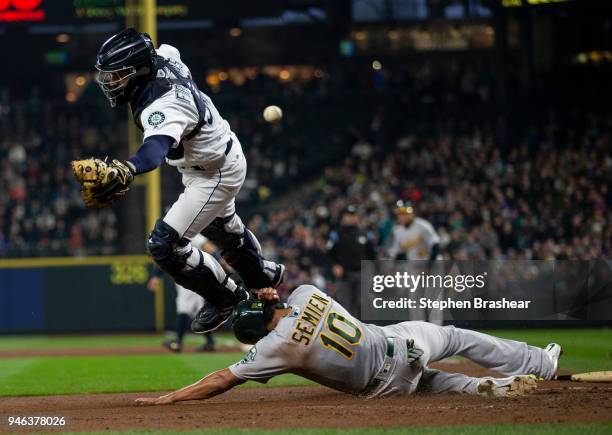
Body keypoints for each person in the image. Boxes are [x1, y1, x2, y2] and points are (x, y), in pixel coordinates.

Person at [93, 28, 285, 333]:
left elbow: (154, 151)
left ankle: (225, 297)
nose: (110, 83)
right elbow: (169, 49)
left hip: (213, 173)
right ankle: (263, 274)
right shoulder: (165, 57)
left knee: (163, 245)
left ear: (140, 70)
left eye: (117, 75)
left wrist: (126, 169)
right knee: (222, 230)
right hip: (218, 155)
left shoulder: (163, 106)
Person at [135, 285, 562, 405]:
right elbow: (275, 290)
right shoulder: (305, 293)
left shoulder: (275, 348)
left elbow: (222, 380)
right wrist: (266, 293)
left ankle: (483, 390)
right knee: (456, 337)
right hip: (403, 344)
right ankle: (538, 362)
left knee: (430, 385)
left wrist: (170, 398)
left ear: (258, 332)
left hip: (384, 388)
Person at [147, 234, 219, 352]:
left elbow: (209, 247)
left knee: (184, 306)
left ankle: (178, 342)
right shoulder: (172, 234)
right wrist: (156, 276)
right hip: (188, 276)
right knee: (198, 310)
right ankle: (210, 342)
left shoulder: (189, 232)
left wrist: (220, 261)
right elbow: (162, 256)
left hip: (191, 275)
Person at [327, 205, 376, 317]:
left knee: (365, 302)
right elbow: (329, 253)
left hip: (362, 272)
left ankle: (369, 329)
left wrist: (372, 271)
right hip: (345, 274)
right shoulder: (336, 234)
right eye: (348, 215)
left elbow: (372, 254)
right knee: (346, 304)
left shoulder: (365, 233)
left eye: (353, 215)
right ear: (343, 217)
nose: (350, 218)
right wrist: (335, 265)